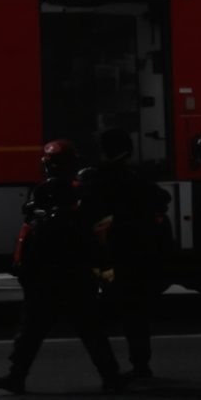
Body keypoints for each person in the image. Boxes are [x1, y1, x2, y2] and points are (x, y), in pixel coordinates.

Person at [0, 140, 122, 395]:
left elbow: (39, 233)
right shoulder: (71, 194)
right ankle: (111, 377)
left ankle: (17, 376)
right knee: (83, 329)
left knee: (36, 331)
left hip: (55, 274)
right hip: (65, 274)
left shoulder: (69, 195)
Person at [80, 129, 170, 385]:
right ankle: (140, 365)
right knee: (135, 313)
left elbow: (89, 211)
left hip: (115, 255)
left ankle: (113, 370)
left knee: (103, 313)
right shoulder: (136, 175)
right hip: (139, 254)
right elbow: (162, 197)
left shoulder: (103, 178)